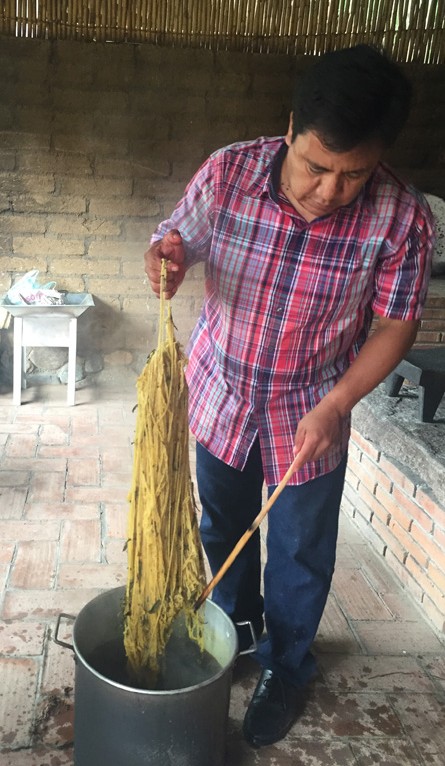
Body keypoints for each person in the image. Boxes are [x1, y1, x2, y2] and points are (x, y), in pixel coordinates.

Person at [144, 44, 435, 747]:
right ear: (288, 128)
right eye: (315, 166)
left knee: (301, 549)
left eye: (353, 174)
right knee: (222, 524)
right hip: (221, 391)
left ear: (379, 158)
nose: (329, 190)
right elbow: (175, 233)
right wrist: (169, 253)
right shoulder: (229, 172)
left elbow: (396, 323)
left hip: (312, 409)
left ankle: (288, 664)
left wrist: (336, 406)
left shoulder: (401, 217)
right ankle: (239, 625)